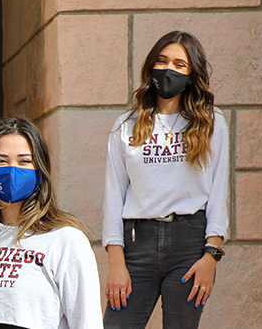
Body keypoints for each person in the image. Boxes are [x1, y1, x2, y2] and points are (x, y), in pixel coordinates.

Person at [102, 31, 229, 329]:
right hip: (136, 244)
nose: (169, 69)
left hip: (189, 244)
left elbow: (219, 190)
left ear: (191, 74)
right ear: (151, 67)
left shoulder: (211, 122)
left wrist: (212, 254)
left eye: (179, 64)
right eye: (162, 61)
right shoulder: (125, 125)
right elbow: (113, 196)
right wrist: (116, 263)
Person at [0, 117, 102, 329]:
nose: (12, 170)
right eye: (0, 161)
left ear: (40, 169)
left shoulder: (66, 240)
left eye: (24, 161)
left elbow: (87, 323)